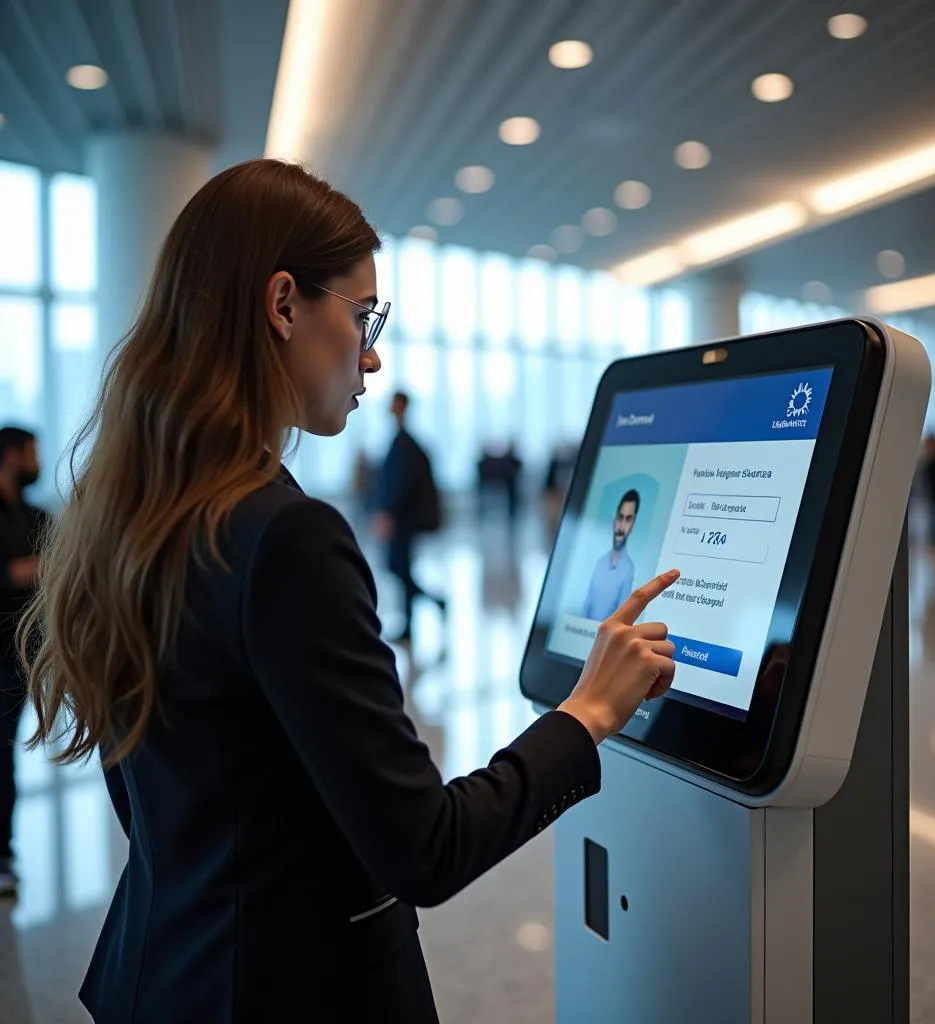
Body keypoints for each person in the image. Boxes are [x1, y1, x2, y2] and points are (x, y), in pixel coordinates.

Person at [17, 159, 681, 1024]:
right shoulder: (282, 538)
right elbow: (426, 849)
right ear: (284, 303)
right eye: (362, 315)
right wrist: (588, 711)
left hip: (163, 974)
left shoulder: (131, 518)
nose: (369, 353)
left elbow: (169, 810)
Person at [0, 426, 46, 898]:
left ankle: (3, 852)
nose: (37, 461)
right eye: (32, 453)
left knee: (4, 754)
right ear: (12, 456)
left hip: (18, 657)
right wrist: (20, 571)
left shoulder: (33, 515)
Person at [374, 391, 444, 643]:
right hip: (403, 519)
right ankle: (432, 606)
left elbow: (402, 484)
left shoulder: (406, 444)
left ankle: (414, 622)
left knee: (399, 567)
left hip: (403, 521)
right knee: (399, 568)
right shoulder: (401, 441)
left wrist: (388, 513)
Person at [583, 489, 640, 621]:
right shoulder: (600, 562)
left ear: (632, 525)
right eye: (620, 517)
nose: (621, 526)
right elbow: (586, 607)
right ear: (615, 520)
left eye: (628, 519)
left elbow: (621, 620)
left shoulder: (629, 570)